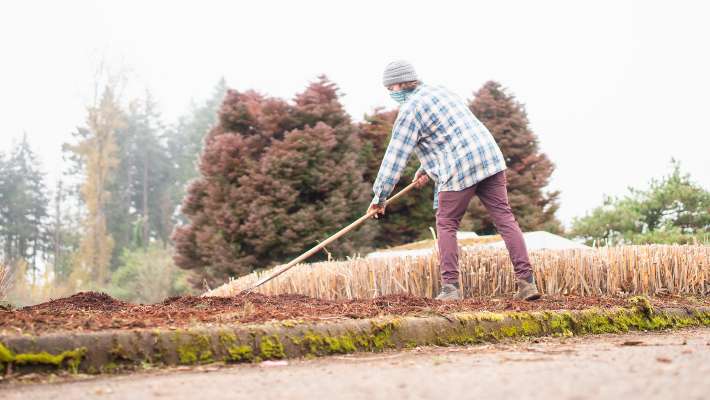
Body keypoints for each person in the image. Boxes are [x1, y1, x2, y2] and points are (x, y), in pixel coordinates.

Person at [367, 60, 541, 301]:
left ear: (397, 85)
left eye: (390, 89)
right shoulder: (440, 90)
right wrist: (425, 168)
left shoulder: (409, 110)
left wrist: (379, 197)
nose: (390, 93)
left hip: (459, 167)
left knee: (447, 223)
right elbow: (448, 134)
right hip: (489, 156)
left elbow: (395, 158)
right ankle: (527, 283)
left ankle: (451, 289)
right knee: (504, 217)